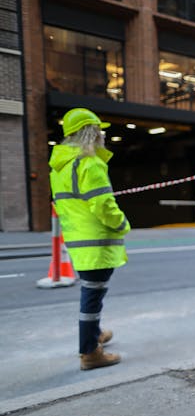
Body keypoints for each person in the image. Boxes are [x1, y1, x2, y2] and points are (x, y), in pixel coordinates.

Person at [49, 108, 130, 370]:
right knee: (92, 297)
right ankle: (89, 353)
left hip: (77, 241)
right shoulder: (90, 163)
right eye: (100, 131)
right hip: (96, 243)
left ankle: (93, 335)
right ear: (91, 133)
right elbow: (103, 205)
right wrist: (122, 223)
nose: (103, 135)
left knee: (92, 294)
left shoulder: (60, 167)